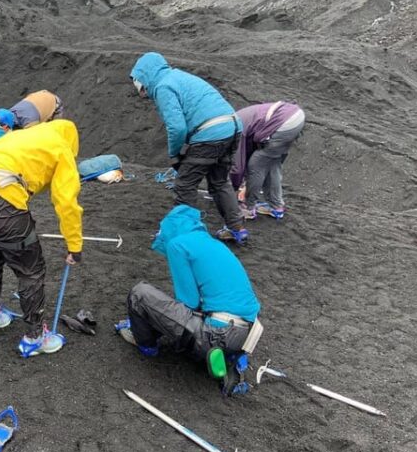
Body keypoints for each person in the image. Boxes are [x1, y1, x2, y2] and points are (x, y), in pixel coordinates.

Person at [0, 119, 83, 357]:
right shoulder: (61, 147)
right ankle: (35, 337)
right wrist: (74, 245)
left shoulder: (21, 136)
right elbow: (66, 203)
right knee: (30, 269)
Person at [115, 205, 263, 395]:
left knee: (140, 294)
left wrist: (150, 321)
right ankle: (232, 356)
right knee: (184, 308)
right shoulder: (214, 244)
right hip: (248, 332)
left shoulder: (177, 244)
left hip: (216, 332)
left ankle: (146, 343)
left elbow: (189, 302)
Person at [129, 52, 248, 245]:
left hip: (211, 133)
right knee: (219, 182)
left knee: (184, 185)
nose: (140, 89)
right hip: (232, 128)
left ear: (145, 76)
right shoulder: (179, 76)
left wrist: (174, 154)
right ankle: (237, 229)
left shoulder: (163, 86)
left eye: (138, 83)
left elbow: (177, 127)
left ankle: (185, 235)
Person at [230, 101, 306, 220]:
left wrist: (233, 190)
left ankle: (247, 208)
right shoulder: (236, 119)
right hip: (295, 116)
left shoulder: (234, 130)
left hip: (284, 124)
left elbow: (237, 168)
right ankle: (276, 207)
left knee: (256, 164)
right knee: (272, 163)